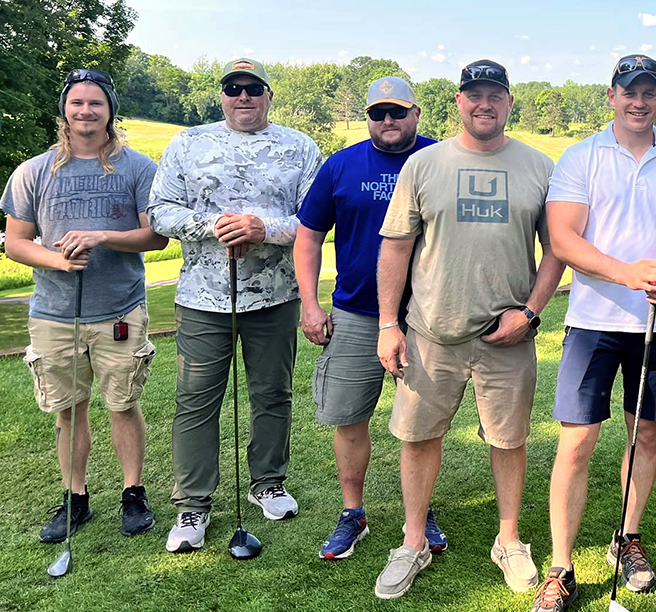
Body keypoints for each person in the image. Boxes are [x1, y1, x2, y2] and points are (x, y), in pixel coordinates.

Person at [373, 59, 565, 600]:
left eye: (494, 94)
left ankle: (509, 540)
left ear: (509, 102)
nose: (484, 103)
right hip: (431, 332)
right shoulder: (424, 164)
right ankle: (412, 542)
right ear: (458, 101)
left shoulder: (538, 166)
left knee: (509, 441)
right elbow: (396, 246)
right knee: (418, 438)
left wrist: (528, 312)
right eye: (474, 94)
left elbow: (557, 250)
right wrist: (389, 323)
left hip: (508, 336)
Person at [531, 54, 656, 612]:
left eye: (649, 92)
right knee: (578, 441)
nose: (639, 101)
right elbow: (563, 238)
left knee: (646, 436)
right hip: (592, 323)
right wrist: (626, 272)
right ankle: (561, 567)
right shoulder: (581, 157)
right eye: (628, 91)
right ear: (611, 95)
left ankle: (627, 537)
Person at [148, 58, 322, 553]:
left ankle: (269, 482)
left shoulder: (300, 146)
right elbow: (161, 212)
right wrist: (217, 227)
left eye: (253, 88)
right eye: (233, 88)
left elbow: (313, 220)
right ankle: (193, 506)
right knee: (196, 400)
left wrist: (263, 229)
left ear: (269, 95)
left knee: (273, 394)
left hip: (276, 296)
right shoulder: (188, 143)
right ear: (222, 96)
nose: (243, 97)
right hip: (203, 297)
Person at [2, 68, 166, 543]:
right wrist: (56, 259)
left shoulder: (138, 168)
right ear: (64, 110)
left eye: (96, 103)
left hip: (119, 309)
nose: (86, 111)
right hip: (54, 314)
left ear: (110, 110)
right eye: (77, 103)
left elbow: (155, 237)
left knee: (123, 403)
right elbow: (15, 243)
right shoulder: (33, 171)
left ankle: (133, 494)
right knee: (68, 410)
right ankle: (76, 498)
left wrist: (103, 237)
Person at [294, 76, 439, 561]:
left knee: (421, 424)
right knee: (349, 417)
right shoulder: (342, 165)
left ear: (416, 113)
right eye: (378, 113)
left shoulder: (441, 159)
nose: (389, 121)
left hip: (424, 315)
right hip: (355, 312)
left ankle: (420, 512)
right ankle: (353, 513)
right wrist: (311, 304)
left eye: (397, 111)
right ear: (367, 118)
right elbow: (309, 235)